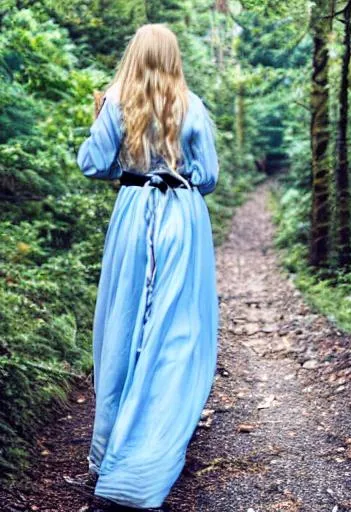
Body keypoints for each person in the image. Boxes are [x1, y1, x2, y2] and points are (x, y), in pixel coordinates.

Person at [73, 23, 219, 510]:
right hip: (183, 218)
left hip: (135, 216)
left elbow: (93, 164)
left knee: (122, 326)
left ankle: (111, 451)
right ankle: (150, 450)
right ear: (174, 57)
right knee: (175, 333)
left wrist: (129, 165)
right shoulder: (192, 105)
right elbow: (209, 177)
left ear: (134, 54)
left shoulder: (117, 102)